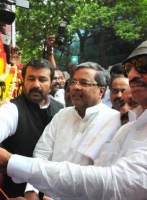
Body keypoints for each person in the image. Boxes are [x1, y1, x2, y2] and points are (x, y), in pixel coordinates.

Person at [0, 37, 147, 199]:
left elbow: (111, 182)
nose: (134, 75)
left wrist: (9, 162)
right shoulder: (128, 127)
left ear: (101, 91)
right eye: (130, 67)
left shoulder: (117, 121)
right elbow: (42, 153)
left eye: (145, 65)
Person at [0, 59, 64, 199]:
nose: (36, 85)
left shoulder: (61, 110)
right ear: (23, 79)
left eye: (42, 79)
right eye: (31, 79)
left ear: (51, 82)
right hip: (17, 193)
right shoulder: (13, 108)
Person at [24, 62, 121, 199]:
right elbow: (42, 154)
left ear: (101, 91)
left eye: (84, 83)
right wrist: (31, 190)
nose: (75, 87)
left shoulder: (114, 121)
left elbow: (103, 178)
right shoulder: (62, 115)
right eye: (73, 82)